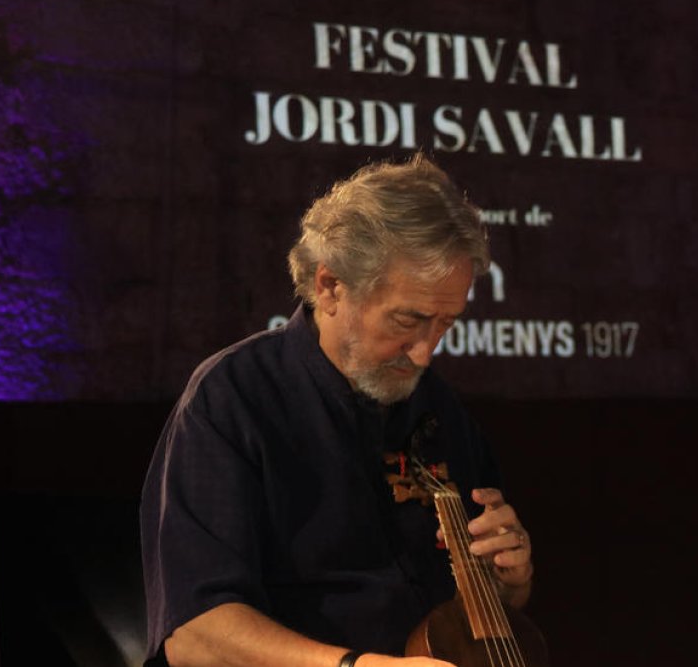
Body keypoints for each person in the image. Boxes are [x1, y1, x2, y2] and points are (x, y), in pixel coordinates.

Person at [139, 153, 534, 667]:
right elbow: (197, 636)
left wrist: (510, 580)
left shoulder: (441, 410)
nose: (425, 351)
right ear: (329, 287)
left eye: (446, 324)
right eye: (407, 320)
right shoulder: (233, 398)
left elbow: (482, 616)